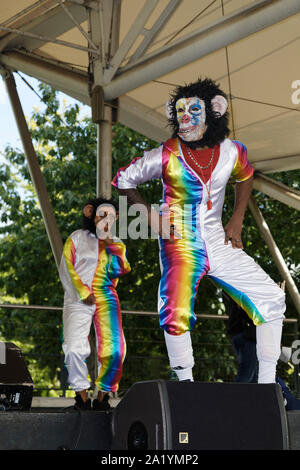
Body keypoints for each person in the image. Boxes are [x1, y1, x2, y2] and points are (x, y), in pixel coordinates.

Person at [112, 77, 285, 385]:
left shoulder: (232, 150)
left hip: (218, 240)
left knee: (272, 297)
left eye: (194, 109)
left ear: (215, 111)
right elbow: (124, 179)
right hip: (180, 239)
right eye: (179, 111)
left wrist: (237, 218)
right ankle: (185, 384)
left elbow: (245, 175)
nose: (185, 117)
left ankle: (267, 387)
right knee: (175, 307)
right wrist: (150, 216)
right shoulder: (165, 154)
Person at [59, 197, 131, 410]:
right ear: (90, 213)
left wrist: (111, 246)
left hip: (107, 299)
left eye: (110, 215)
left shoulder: (117, 243)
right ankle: (81, 398)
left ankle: (102, 399)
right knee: (73, 348)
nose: (105, 219)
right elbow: (66, 267)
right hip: (77, 299)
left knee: (116, 350)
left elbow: (121, 269)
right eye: (101, 214)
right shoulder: (77, 238)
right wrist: (81, 292)